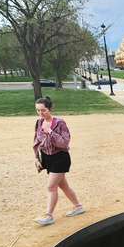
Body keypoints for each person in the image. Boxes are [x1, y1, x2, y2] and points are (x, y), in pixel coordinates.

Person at [32, 96, 84, 226]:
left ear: (50, 109)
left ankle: (48, 216)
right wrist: (36, 158)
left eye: (43, 110)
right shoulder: (38, 123)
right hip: (47, 158)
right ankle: (78, 207)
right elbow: (36, 142)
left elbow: (64, 142)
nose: (41, 113)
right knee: (63, 186)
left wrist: (51, 132)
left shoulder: (59, 123)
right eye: (38, 110)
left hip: (60, 157)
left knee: (51, 186)